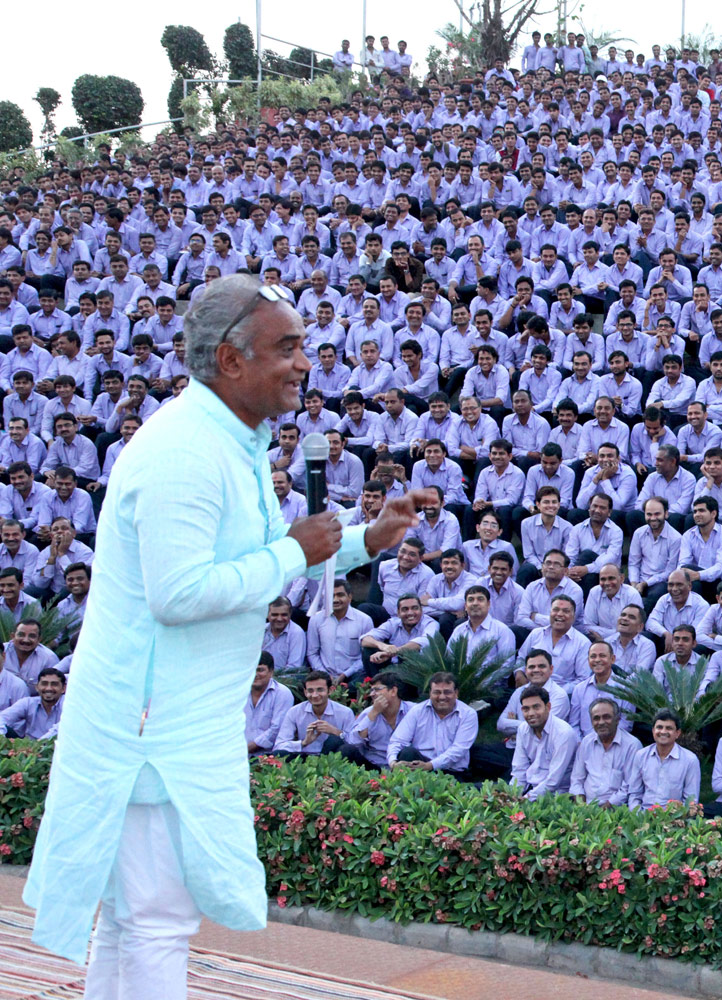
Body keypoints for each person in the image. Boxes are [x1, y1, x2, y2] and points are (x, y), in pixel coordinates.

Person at [23, 273, 437, 990]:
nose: (306, 363)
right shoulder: (183, 451)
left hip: (177, 725)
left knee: (135, 920)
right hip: (149, 731)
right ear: (232, 361)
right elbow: (179, 593)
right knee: (154, 920)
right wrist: (291, 553)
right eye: (288, 347)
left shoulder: (233, 440)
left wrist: (368, 538)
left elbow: (274, 546)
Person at [569, 698, 642, 806]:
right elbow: (576, 779)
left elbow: (630, 787)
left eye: (606, 717)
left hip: (616, 810)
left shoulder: (632, 745)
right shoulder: (587, 742)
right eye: (596, 718)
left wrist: (603, 810)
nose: (601, 722)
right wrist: (582, 806)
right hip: (586, 807)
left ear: (618, 719)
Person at [511, 684, 580, 799]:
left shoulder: (563, 733)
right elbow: (519, 770)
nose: (531, 713)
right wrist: (512, 795)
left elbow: (553, 782)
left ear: (548, 707)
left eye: (536, 707)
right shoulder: (523, 729)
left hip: (558, 796)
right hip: (531, 791)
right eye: (526, 709)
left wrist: (526, 799)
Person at [628, 709, 701, 809]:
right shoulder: (641, 756)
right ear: (653, 730)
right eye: (659, 727)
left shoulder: (690, 760)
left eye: (669, 728)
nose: (663, 731)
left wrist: (675, 819)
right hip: (643, 816)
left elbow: (691, 800)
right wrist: (637, 816)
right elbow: (634, 794)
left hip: (674, 819)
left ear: (677, 733)